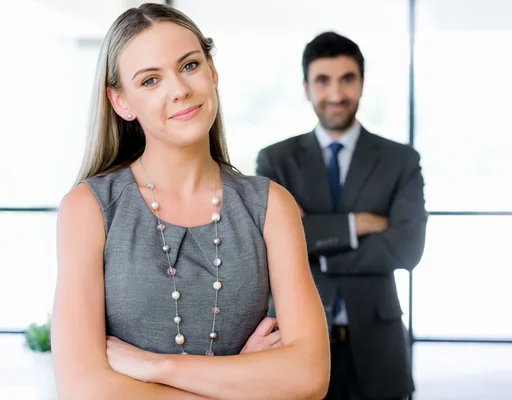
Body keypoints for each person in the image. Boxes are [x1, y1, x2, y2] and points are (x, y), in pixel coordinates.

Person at [51, 4, 329, 399]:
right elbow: (84, 389)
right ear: (121, 102)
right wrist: (247, 379)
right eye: (150, 80)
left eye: (189, 66)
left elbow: (309, 376)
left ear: (212, 72)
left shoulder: (270, 206)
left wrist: (155, 367)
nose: (179, 89)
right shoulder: (88, 209)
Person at [256, 32, 428, 400]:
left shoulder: (400, 160)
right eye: (323, 80)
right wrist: (359, 225)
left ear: (362, 83)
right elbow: (268, 247)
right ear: (306, 87)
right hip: (296, 344)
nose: (336, 95)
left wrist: (312, 244)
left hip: (379, 349)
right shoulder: (276, 161)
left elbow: (408, 247)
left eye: (347, 79)